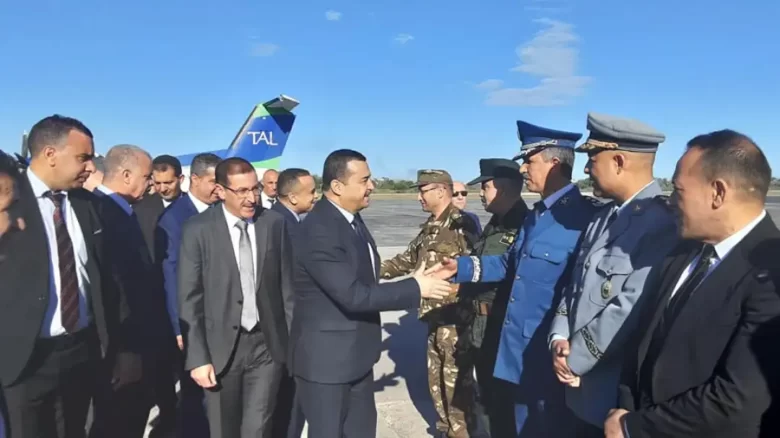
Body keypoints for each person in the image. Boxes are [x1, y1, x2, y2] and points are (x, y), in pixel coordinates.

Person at [426, 121, 602, 437]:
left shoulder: (585, 218)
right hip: (518, 350)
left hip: (550, 353)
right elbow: (510, 263)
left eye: (529, 160)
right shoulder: (537, 216)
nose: (522, 168)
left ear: (554, 163)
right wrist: (460, 267)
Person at [610, 130, 780, 438]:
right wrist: (624, 408)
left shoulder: (771, 273)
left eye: (678, 191)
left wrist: (632, 427)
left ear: (718, 193)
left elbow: (737, 401)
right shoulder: (684, 250)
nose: (670, 202)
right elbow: (642, 342)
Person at [290, 149, 454, 437]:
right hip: (327, 365)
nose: (372, 185)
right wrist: (417, 287)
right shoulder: (320, 229)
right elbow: (353, 295)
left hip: (357, 358)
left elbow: (365, 276)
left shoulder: (350, 219)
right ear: (338, 186)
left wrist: (420, 278)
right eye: (364, 180)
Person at [0, 115, 138, 438]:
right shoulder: (9, 201)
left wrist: (122, 349)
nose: (91, 167)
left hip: (81, 353)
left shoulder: (89, 206)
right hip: (23, 362)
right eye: (83, 158)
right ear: (50, 154)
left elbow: (110, 281)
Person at [547, 113, 678, 437]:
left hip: (611, 398)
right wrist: (559, 335)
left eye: (593, 159)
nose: (587, 169)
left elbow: (629, 306)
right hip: (576, 387)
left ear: (618, 162)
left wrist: (575, 359)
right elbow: (575, 286)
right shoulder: (602, 217)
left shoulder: (661, 224)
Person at [178, 157, 294, 438]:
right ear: (220, 191)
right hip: (221, 350)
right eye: (242, 191)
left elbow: (287, 289)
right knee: (224, 429)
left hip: (266, 346)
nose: (251, 198)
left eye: (254, 189)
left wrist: (293, 344)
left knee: (259, 428)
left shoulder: (274, 223)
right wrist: (197, 358)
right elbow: (189, 298)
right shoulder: (198, 229)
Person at [381, 169, 480, 438]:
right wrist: (367, 268)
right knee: (437, 384)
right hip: (433, 318)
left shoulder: (462, 225)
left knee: (457, 390)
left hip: (455, 321)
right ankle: (446, 431)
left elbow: (477, 266)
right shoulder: (430, 227)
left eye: (423, 191)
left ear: (440, 191)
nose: (419, 197)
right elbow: (407, 260)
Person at [90, 144, 172, 438]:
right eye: (147, 177)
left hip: (136, 345)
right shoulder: (99, 213)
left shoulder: (124, 212)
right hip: (122, 349)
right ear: (126, 175)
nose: (152, 184)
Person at [457, 158, 529, 436]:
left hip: (500, 327)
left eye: (485, 187)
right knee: (486, 397)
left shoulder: (523, 225)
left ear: (502, 189)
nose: (479, 193)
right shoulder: (495, 223)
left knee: (502, 402)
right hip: (480, 324)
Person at [155, 152, 221, 438]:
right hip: (192, 321)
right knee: (195, 397)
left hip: (220, 318)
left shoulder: (219, 210)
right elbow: (171, 278)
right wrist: (179, 326)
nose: (219, 188)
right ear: (194, 179)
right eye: (214, 181)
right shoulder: (175, 218)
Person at [269, 167, 316, 438]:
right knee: (287, 405)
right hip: (288, 329)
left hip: (290, 327)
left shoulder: (286, 219)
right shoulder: (281, 224)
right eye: (311, 192)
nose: (315, 196)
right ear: (294, 197)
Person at [134, 155, 184, 261]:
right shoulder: (140, 210)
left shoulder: (194, 206)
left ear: (181, 179)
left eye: (168, 183)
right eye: (157, 183)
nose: (162, 189)